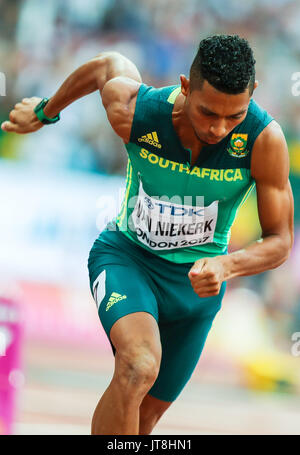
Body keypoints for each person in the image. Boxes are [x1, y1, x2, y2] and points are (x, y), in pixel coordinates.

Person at [1, 34, 294, 435]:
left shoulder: (264, 140)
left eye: (234, 116)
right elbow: (107, 64)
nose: (219, 129)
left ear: (253, 94)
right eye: (208, 113)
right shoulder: (137, 111)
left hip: (195, 291)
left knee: (143, 422)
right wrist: (45, 111)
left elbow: (280, 240)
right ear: (185, 87)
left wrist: (227, 264)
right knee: (138, 366)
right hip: (128, 259)